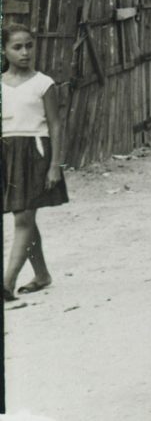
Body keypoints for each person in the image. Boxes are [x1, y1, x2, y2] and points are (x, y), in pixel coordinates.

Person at [3, 24, 69, 304]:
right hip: (7, 152)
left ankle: (6, 283)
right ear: (4, 50)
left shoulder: (44, 83)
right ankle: (41, 275)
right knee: (25, 218)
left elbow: (55, 124)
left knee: (23, 218)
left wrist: (56, 164)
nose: (25, 52)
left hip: (36, 152)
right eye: (17, 47)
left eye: (29, 45)